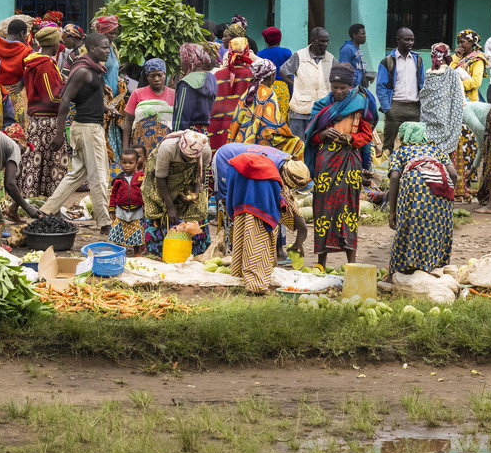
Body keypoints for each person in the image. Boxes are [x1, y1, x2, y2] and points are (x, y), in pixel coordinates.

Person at [42, 32, 114, 228]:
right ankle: (105, 223)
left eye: (108, 47)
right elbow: (65, 100)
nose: (108, 50)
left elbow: (89, 96)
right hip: (87, 129)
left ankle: (46, 210)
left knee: (77, 174)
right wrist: (58, 133)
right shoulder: (83, 70)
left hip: (90, 127)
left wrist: (107, 107)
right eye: (104, 47)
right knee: (99, 177)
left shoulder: (95, 69)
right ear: (92, 49)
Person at [308, 63, 376, 269]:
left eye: (343, 88)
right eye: (334, 87)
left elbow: (367, 135)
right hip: (326, 161)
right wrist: (323, 134)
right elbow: (310, 136)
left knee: (349, 208)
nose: (338, 91)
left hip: (349, 161)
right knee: (322, 208)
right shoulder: (320, 106)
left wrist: (349, 138)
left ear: (350, 86)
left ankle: (351, 262)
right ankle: (321, 261)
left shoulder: (358, 105)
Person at [386, 120, 457, 276]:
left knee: (407, 227)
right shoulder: (436, 149)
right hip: (441, 187)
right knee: (437, 229)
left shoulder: (401, 150)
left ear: (404, 136)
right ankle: (435, 270)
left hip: (414, 186)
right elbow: (453, 174)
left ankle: (399, 272)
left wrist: (392, 211)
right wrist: (451, 199)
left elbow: (394, 176)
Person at [220, 150, 295, 294]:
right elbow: (275, 195)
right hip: (262, 212)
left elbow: (230, 191)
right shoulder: (272, 170)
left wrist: (232, 210)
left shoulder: (235, 164)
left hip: (241, 207)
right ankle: (257, 286)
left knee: (242, 241)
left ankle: (239, 274)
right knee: (258, 248)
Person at [142, 129, 211, 255]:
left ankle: (197, 252)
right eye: (186, 158)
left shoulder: (205, 150)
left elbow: (201, 173)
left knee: (197, 211)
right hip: (160, 180)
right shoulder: (167, 148)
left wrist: (194, 194)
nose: (188, 161)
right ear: (180, 148)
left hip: (188, 179)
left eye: (192, 159)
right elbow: (160, 177)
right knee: (157, 212)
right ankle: (157, 253)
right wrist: (170, 206)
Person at [18, 27, 68, 200]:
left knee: (35, 160)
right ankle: (49, 205)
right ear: (54, 43)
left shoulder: (35, 62)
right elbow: (51, 98)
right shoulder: (45, 65)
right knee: (47, 161)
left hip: (36, 119)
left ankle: (30, 202)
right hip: (46, 121)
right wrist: (69, 96)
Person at [231, 57, 299, 156]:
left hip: (243, 140)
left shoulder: (247, 92)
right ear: (271, 76)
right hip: (263, 141)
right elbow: (274, 124)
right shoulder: (269, 94)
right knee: (298, 145)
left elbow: (237, 119)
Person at [375, 27, 426, 153]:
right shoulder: (387, 61)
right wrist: (388, 109)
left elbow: (422, 84)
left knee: (415, 146)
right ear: (398, 40)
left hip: (414, 108)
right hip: (395, 107)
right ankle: (389, 171)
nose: (410, 43)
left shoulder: (418, 60)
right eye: (406, 39)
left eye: (412, 40)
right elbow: (380, 86)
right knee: (388, 147)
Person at [281, 28, 335, 137]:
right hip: (300, 111)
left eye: (327, 41)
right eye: (321, 41)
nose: (325, 44)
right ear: (313, 40)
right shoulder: (299, 56)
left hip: (322, 111)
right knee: (299, 146)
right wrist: (296, 84)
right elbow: (283, 72)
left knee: (318, 145)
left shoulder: (330, 58)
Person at [208, 37, 257, 150]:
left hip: (221, 124)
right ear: (247, 51)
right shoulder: (252, 74)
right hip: (245, 125)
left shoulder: (218, 76)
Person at [419, 44, 467, 154]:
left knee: (427, 148)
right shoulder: (452, 74)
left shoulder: (428, 73)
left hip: (427, 119)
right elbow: (459, 100)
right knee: (443, 151)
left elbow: (424, 95)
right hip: (446, 121)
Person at [121, 58, 175, 150]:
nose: (156, 79)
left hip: (166, 148)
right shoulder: (137, 94)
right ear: (147, 77)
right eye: (152, 76)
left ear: (165, 75)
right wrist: (125, 148)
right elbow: (129, 122)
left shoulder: (174, 94)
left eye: (159, 75)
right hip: (140, 146)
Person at [173, 42, 219, 133]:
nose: (180, 62)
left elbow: (181, 118)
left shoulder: (186, 83)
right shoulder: (211, 78)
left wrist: (176, 135)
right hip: (203, 133)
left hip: (188, 136)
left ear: (187, 60)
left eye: (181, 59)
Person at [109, 149, 148, 254]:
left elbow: (145, 192)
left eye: (130, 163)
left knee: (136, 231)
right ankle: (117, 250)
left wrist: (146, 207)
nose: (127, 166)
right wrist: (112, 209)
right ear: (120, 163)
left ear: (136, 164)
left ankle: (136, 252)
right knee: (119, 230)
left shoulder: (141, 178)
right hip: (121, 209)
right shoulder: (119, 179)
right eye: (124, 163)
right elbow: (113, 195)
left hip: (137, 209)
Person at [453, 29, 488, 103]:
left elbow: (476, 82)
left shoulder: (477, 59)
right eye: (458, 42)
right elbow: (448, 72)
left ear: (471, 43)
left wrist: (456, 85)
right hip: (454, 97)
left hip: (469, 100)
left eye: (462, 42)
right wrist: (456, 58)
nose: (459, 45)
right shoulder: (456, 57)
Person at [338, 23, 371, 90]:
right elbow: (343, 70)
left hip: (360, 88)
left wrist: (367, 76)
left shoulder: (357, 49)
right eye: (362, 34)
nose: (365, 36)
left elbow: (357, 68)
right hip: (351, 89)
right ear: (355, 35)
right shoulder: (347, 49)